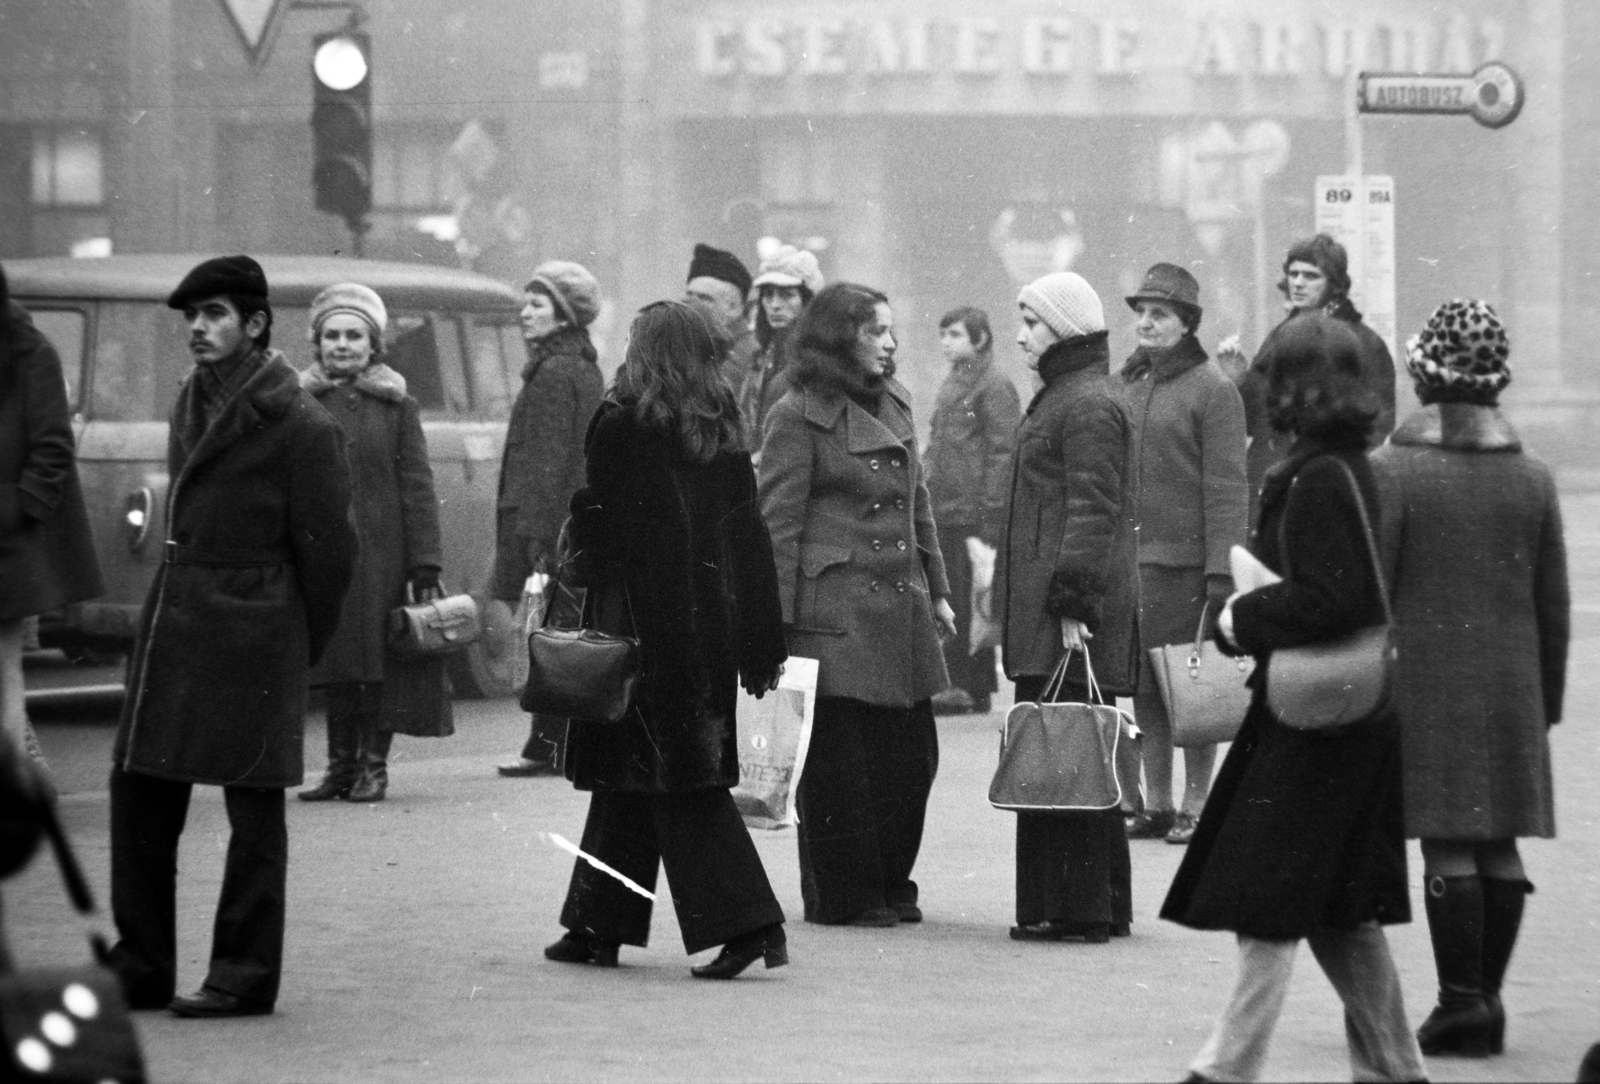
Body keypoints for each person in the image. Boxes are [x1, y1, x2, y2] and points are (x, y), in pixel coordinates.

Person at [1161, 314, 1424, 1082]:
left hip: (1315, 722)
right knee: (1344, 914)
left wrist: (1243, 617)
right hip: (1345, 717)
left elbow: (1331, 599)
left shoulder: (1317, 478)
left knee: (1269, 904)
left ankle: (1225, 1070)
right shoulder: (1351, 468)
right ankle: (1397, 1070)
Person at [108, 256, 356, 1018]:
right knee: (140, 785)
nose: (197, 329)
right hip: (180, 612)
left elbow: (331, 553)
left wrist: (293, 639)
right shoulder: (193, 397)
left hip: (256, 622)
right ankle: (141, 964)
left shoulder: (301, 422)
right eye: (191, 317)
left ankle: (243, 976)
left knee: (251, 804)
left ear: (255, 325)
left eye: (213, 314)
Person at [545, 301, 789, 979]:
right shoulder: (720, 427)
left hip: (639, 629)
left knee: (678, 787)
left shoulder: (623, 422)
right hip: (703, 635)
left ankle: (749, 925)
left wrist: (583, 521)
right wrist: (761, 640)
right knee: (639, 780)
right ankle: (597, 924)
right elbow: (750, 539)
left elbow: (613, 541)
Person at [1372, 299, 1569, 1058]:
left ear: (1425, 376)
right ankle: (1485, 1001)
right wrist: (1543, 701)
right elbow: (1554, 605)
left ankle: (1459, 1003)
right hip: (1512, 686)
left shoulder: (1395, 471)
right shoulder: (1534, 479)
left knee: (1449, 838)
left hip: (1426, 683)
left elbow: (1377, 590)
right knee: (1499, 840)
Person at [758, 283, 956, 927]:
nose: (892, 343)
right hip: (831, 614)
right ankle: (844, 893)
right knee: (843, 765)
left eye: (892, 331)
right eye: (877, 332)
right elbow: (778, 528)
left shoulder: (894, 401)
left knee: (911, 757)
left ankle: (892, 878)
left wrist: (942, 591)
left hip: (901, 606)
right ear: (842, 338)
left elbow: (917, 501)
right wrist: (772, 627)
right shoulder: (795, 415)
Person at [998, 272, 1138, 944]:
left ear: (1065, 327)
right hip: (1058, 605)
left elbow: (1092, 509)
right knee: (1075, 747)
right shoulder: (1073, 394)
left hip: (1066, 613)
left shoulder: (1082, 403)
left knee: (1065, 750)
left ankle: (1075, 908)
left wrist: (1074, 605)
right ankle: (1095, 901)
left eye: (1033, 321)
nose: (1022, 334)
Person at [296, 283, 448, 804]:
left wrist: (425, 561)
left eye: (354, 336)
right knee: (337, 665)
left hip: (384, 557)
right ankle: (339, 767)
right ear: (317, 344)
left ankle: (373, 768)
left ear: (373, 344)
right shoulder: (300, 404)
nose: (342, 344)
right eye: (332, 335)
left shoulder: (396, 405)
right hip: (325, 558)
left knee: (379, 665)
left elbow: (419, 485)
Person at [1118, 264, 1247, 846]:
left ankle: (1197, 805)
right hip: (1136, 563)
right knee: (1145, 687)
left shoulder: (1213, 388)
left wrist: (1222, 570)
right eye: (1141, 312)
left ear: (1187, 323)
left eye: (1159, 313)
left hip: (1190, 568)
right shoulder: (1133, 383)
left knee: (1191, 688)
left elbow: (1226, 487)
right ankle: (1159, 804)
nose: (1145, 322)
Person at [493, 260, 605, 779]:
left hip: (551, 523)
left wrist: (539, 537)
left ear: (563, 315)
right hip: (566, 520)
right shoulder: (574, 365)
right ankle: (552, 740)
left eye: (537, 304)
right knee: (563, 630)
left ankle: (547, 743)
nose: (525, 313)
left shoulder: (556, 372)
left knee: (553, 633)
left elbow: (550, 460)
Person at [0, 262, 104, 801]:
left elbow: (53, 447)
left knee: (4, 683)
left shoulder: (29, 354)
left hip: (8, 550)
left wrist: (17, 513)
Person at [1226, 234, 1396, 521]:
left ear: (1334, 283)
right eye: (1293, 274)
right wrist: (1238, 379)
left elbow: (1377, 425)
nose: (1298, 283)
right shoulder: (1281, 336)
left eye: (1311, 275)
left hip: (1327, 482)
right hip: (1271, 478)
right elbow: (1254, 419)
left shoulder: (1363, 342)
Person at [924, 306, 1021, 716]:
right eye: (943, 334)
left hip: (972, 510)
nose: (946, 342)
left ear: (980, 339)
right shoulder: (952, 384)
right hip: (945, 505)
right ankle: (959, 681)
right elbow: (937, 442)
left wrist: (992, 513)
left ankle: (971, 683)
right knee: (956, 597)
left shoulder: (994, 386)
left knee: (971, 598)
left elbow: (1003, 453)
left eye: (956, 334)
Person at [738, 244, 824, 446]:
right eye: (768, 295)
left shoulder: (818, 361)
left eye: (787, 295)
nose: (775, 305)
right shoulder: (760, 357)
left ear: (807, 301)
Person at [684, 243, 756, 391]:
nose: (693, 306)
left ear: (734, 308)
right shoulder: (691, 349)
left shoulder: (751, 357)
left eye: (704, 299)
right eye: (689, 297)